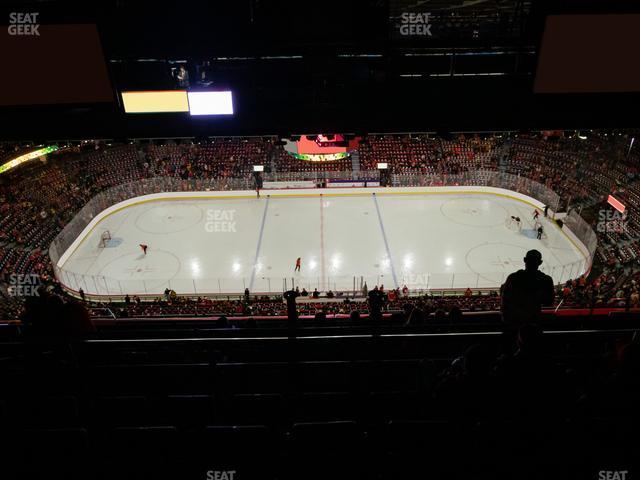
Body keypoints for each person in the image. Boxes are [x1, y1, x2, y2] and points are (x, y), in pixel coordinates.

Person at [501, 249, 554, 326]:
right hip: (534, 321)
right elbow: (549, 302)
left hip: (515, 322)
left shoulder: (513, 278)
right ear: (540, 262)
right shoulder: (546, 280)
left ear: (525, 260)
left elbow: (505, 300)